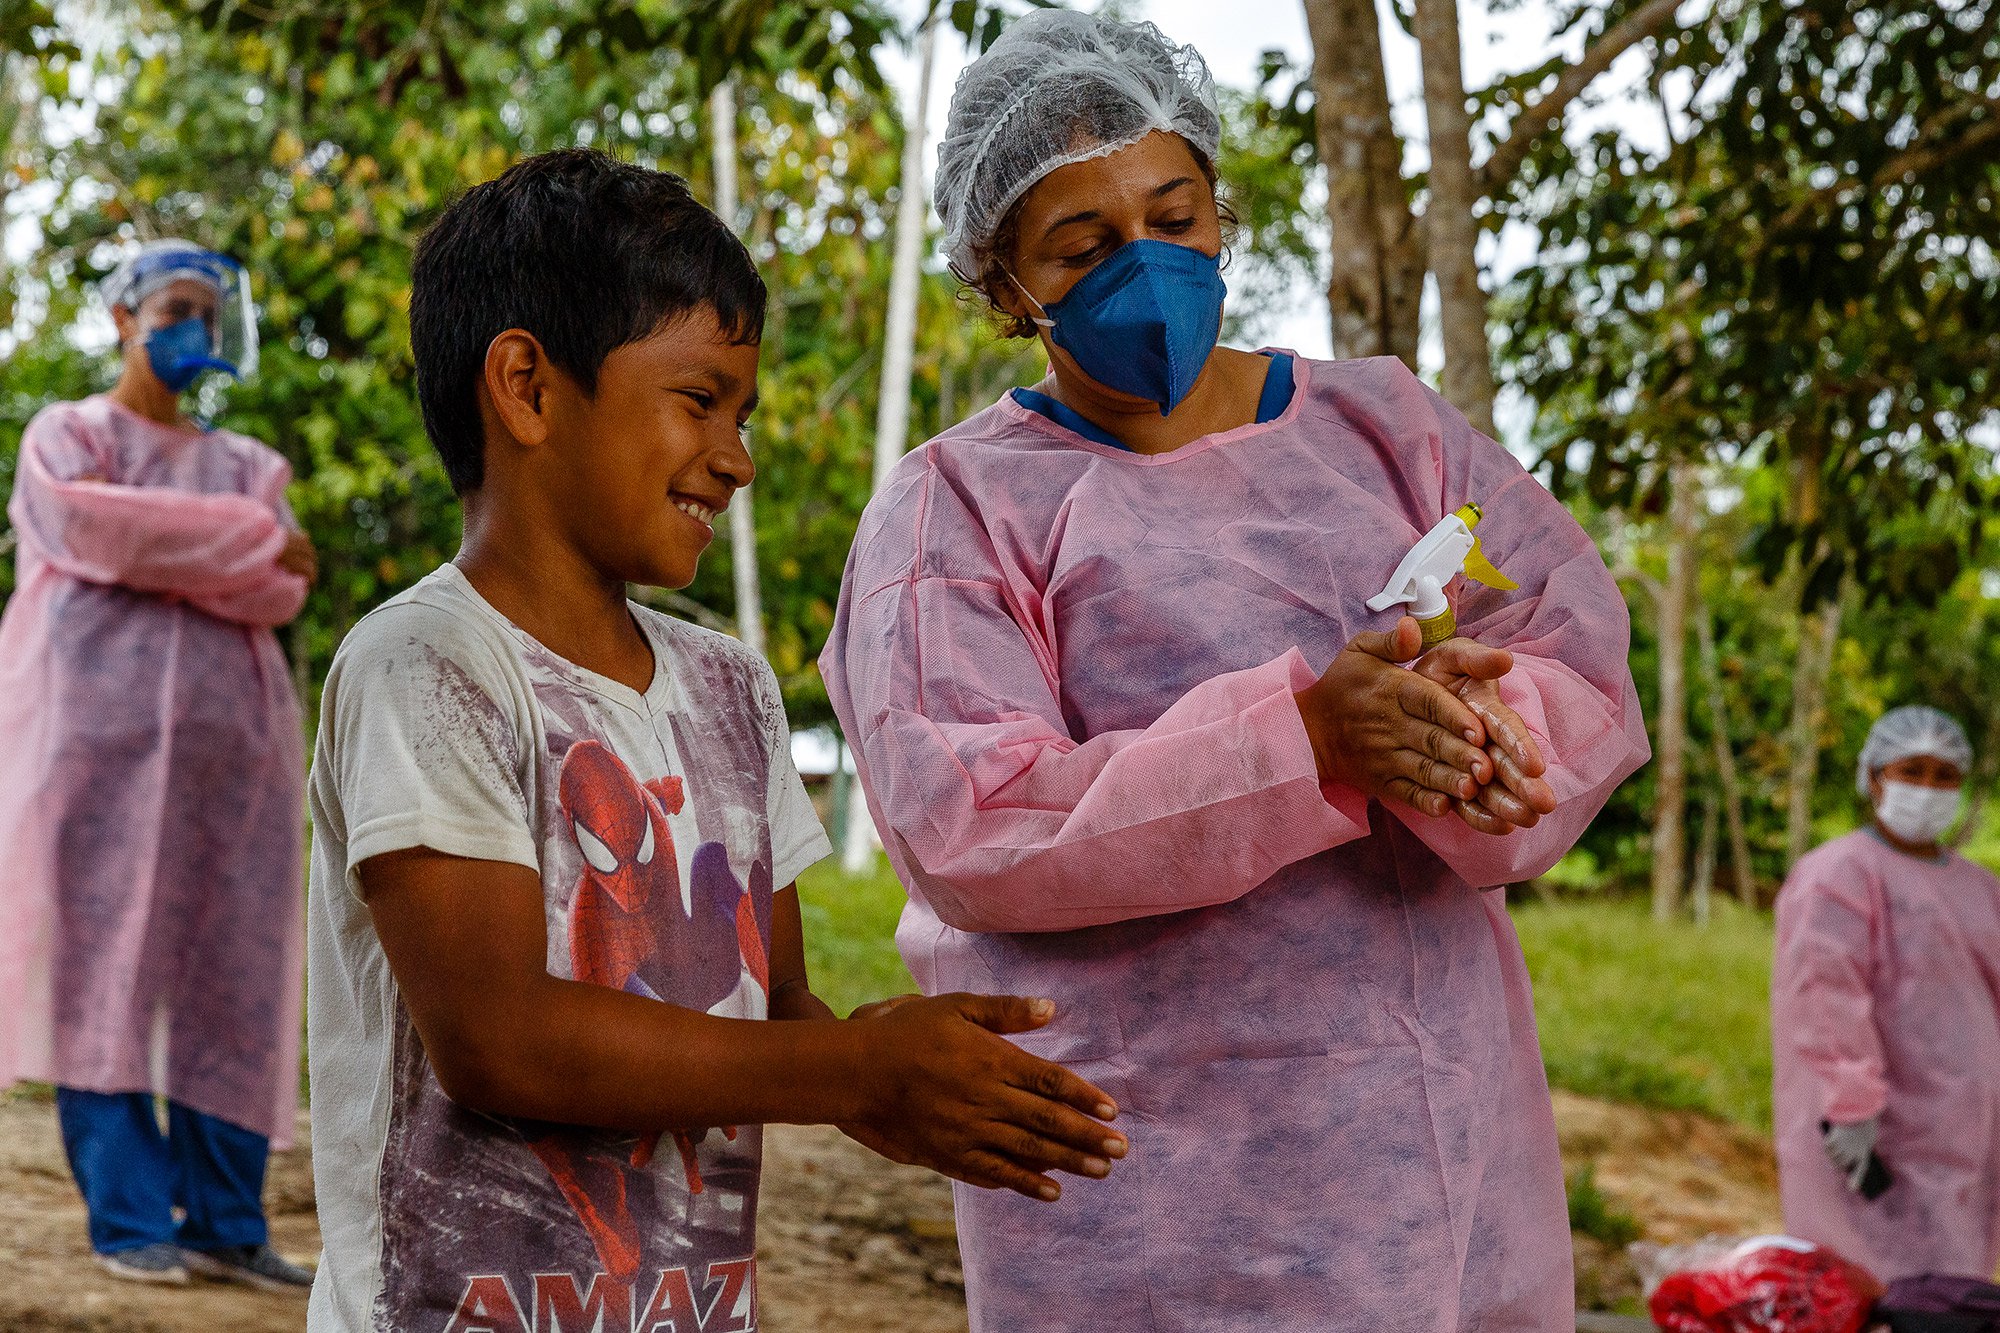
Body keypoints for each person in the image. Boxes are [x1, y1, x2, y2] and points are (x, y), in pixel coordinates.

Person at [820, 12, 1649, 1331]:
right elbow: (968, 820)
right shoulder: (952, 515)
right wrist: (1307, 743)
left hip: (1428, 1147)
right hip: (1139, 1174)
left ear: (1224, 213)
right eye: (1083, 248)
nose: (1145, 268)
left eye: (1175, 214)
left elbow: (1574, 655)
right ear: (999, 285)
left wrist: (1464, 736)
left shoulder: (1392, 435)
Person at [304, 149, 1127, 1333]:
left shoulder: (731, 688)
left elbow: (774, 1000)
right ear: (527, 387)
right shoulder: (427, 666)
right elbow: (495, 1038)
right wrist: (847, 1072)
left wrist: (890, 1083)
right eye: (698, 401)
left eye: (741, 415)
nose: (736, 458)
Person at [0, 239, 318, 1289]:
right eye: (176, 306)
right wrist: (239, 542)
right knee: (105, 973)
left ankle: (229, 1220)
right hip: (96, 762)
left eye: (209, 313)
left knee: (234, 979)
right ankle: (132, 1218)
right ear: (125, 319)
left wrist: (196, 549)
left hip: (238, 774)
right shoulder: (70, 434)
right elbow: (92, 525)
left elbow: (283, 583)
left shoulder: (249, 463)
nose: (196, 328)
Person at [1773, 705, 2000, 1283]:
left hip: (1966, 1126)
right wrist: (1850, 1104)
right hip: (1873, 1129)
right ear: (1874, 777)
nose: (1928, 789)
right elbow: (1823, 997)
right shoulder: (1838, 875)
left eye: (1944, 775)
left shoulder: (1978, 888)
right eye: (1912, 771)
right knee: (1866, 1285)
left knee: (1954, 1286)